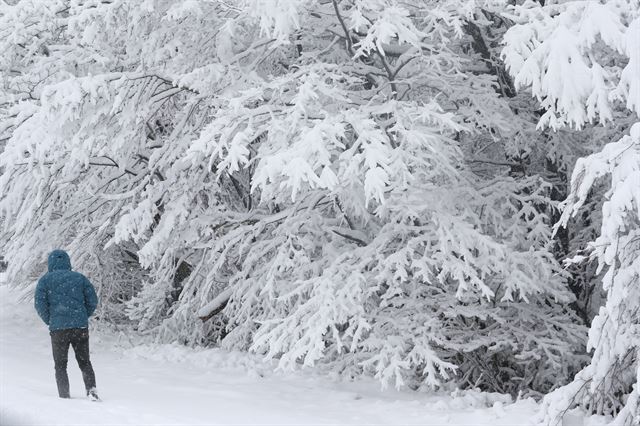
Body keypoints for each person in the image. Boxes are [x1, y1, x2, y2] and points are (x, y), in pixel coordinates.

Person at [34, 249, 100, 401]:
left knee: (60, 365)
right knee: (85, 362)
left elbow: (40, 304)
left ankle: (64, 396)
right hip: (80, 327)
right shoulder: (80, 278)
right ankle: (92, 392)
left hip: (58, 329)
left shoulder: (45, 281)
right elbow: (92, 301)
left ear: (50, 263)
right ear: (68, 262)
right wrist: (82, 316)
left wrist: (50, 320)